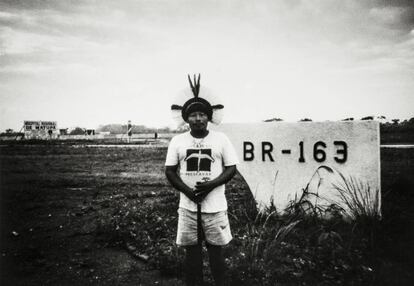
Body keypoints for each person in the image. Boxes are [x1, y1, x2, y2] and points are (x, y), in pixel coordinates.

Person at [165, 75, 239, 286]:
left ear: (209, 117)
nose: (198, 119)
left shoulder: (221, 139)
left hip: (214, 207)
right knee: (192, 254)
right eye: (193, 115)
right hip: (188, 207)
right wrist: (188, 191)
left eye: (202, 114)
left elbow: (231, 167)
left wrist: (211, 185)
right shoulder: (178, 141)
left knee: (216, 254)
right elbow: (170, 171)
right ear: (186, 118)